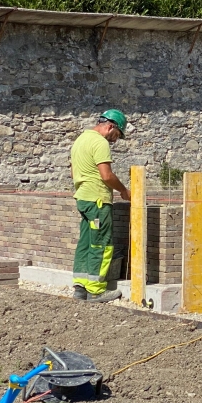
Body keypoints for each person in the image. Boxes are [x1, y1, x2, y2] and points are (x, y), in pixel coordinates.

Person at [70, 110, 130, 302]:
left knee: (86, 242)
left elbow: (73, 172)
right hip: (98, 201)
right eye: (117, 135)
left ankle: (80, 286)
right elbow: (106, 175)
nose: (116, 140)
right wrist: (123, 191)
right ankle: (96, 290)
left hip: (83, 199)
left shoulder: (80, 140)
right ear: (111, 126)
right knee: (101, 244)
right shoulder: (100, 142)